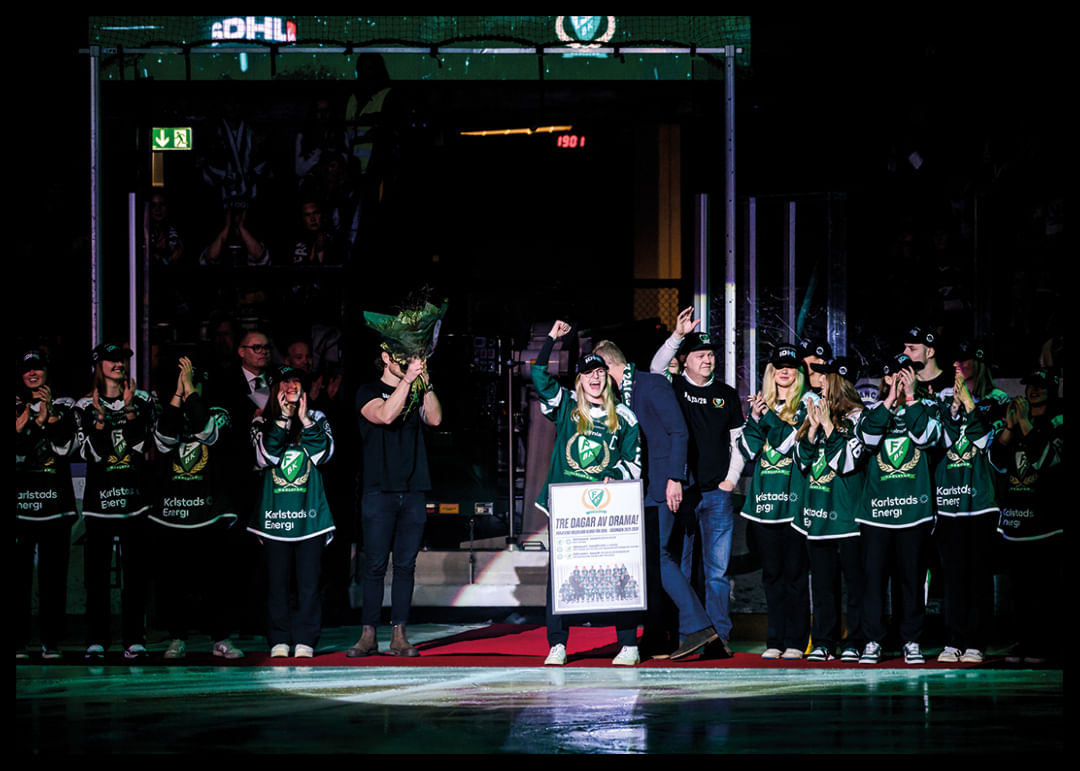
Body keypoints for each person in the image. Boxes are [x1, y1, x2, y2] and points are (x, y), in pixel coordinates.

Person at [594, 339, 725, 660]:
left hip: (663, 486)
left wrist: (675, 478)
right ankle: (660, 636)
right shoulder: (619, 395)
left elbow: (679, 431)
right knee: (649, 562)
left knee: (660, 556)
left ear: (609, 366)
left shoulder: (651, 384)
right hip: (638, 489)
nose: (595, 379)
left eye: (598, 371)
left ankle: (699, 627)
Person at [534, 321, 642, 666]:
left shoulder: (623, 416)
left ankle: (628, 644)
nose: (594, 378)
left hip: (608, 509)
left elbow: (634, 463)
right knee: (561, 574)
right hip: (568, 510)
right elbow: (539, 376)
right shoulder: (567, 406)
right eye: (587, 374)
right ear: (579, 381)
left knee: (618, 569)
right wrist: (551, 340)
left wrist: (614, 476)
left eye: (599, 372)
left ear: (607, 378)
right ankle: (557, 644)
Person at [649, 307, 745, 658]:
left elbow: (738, 442)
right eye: (700, 355)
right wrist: (677, 336)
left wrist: (730, 481)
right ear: (685, 360)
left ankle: (719, 638)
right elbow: (656, 368)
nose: (707, 360)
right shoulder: (673, 387)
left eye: (710, 355)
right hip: (685, 494)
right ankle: (690, 635)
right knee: (684, 567)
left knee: (717, 572)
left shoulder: (727, 394)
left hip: (717, 494)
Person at [348, 347, 442, 657]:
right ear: (386, 358)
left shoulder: (416, 387)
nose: (407, 364)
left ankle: (400, 633)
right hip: (379, 489)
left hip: (413, 488)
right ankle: (368, 633)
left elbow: (435, 419)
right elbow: (385, 415)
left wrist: (425, 382)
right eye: (401, 358)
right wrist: (408, 380)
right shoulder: (367, 391)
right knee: (375, 565)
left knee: (405, 565)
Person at [151, 354, 244, 660]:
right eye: (182, 380)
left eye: (192, 380)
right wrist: (179, 395)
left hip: (209, 513)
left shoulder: (218, 411)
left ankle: (221, 638)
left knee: (216, 581)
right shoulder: (169, 410)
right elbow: (164, 440)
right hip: (173, 512)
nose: (188, 385)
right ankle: (177, 638)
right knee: (174, 582)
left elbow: (207, 432)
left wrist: (190, 391)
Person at [853, 354, 943, 665]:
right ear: (886, 379)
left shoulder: (928, 407)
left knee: (911, 580)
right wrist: (890, 400)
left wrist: (911, 398)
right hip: (876, 513)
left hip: (914, 512)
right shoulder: (871, 411)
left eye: (906, 374)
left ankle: (911, 640)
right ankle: (873, 641)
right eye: (894, 375)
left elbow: (927, 438)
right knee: (873, 580)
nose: (900, 380)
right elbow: (867, 439)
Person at [248, 366, 336, 658]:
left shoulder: (317, 417)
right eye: (285, 382)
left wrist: (304, 420)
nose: (291, 387)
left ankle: (305, 639)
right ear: (275, 389)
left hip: (310, 516)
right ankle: (279, 638)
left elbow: (324, 454)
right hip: (275, 517)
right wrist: (283, 420)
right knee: (277, 582)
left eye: (296, 382)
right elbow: (265, 457)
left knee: (309, 582)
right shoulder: (261, 420)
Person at [76, 343, 156, 660]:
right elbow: (90, 454)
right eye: (111, 360)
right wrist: (100, 418)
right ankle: (96, 640)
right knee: (96, 577)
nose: (118, 364)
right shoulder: (84, 405)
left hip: (135, 503)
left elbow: (141, 445)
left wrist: (129, 408)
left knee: (135, 576)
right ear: (99, 365)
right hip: (98, 504)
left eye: (122, 359)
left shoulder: (143, 399)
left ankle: (134, 639)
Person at [933, 342, 1008, 664]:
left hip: (981, 500)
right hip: (948, 501)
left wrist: (969, 404)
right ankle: (953, 640)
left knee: (977, 575)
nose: (959, 365)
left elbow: (987, 442)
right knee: (952, 576)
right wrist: (953, 408)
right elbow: (936, 441)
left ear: (979, 363)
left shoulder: (998, 401)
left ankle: (976, 641)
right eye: (956, 360)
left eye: (965, 360)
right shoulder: (942, 399)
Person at [739, 344, 811, 660]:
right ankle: (775, 640)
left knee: (795, 575)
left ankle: (796, 640)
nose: (784, 371)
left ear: (798, 372)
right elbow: (747, 450)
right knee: (771, 576)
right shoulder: (763, 405)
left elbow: (787, 443)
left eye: (790, 366)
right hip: (764, 505)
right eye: (779, 366)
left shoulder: (808, 404)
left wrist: (766, 416)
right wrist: (754, 417)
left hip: (793, 504)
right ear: (771, 371)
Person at [793, 357, 867, 663]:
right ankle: (824, 641)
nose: (821, 381)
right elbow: (801, 461)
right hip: (819, 514)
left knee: (857, 582)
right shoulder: (815, 411)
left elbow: (847, 462)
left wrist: (827, 425)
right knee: (823, 584)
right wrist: (812, 429)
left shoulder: (861, 417)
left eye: (827, 377)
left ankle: (857, 640)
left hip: (849, 514)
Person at [990, 367, 1063, 664]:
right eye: (1030, 385)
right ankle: (1023, 641)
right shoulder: (1015, 422)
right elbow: (997, 463)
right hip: (1015, 524)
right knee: (1018, 591)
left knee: (1045, 590)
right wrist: (1010, 428)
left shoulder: (1058, 423)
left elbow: (1046, 460)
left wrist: (1024, 424)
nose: (1033, 390)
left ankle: (1046, 645)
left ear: (1052, 388)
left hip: (1047, 525)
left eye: (1040, 386)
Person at [16, 349, 78, 659]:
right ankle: (18, 642)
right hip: (20, 508)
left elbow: (65, 445)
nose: (33, 374)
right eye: (27, 369)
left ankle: (50, 642)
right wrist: (34, 420)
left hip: (57, 507)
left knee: (53, 580)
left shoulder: (66, 405)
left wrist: (47, 414)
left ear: (47, 372)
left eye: (38, 368)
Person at [903, 326, 953, 400]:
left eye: (912, 348)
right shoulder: (903, 383)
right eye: (905, 348)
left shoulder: (952, 381)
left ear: (929, 352)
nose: (905, 353)